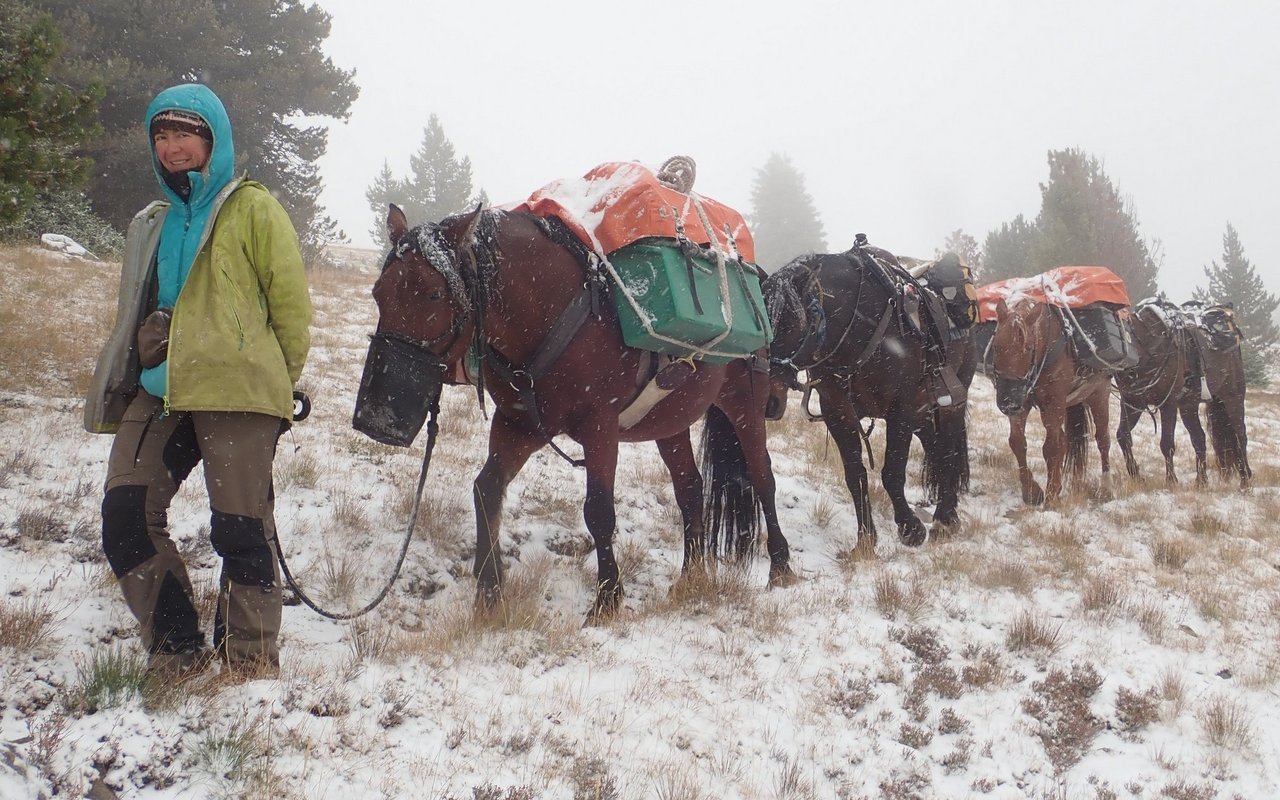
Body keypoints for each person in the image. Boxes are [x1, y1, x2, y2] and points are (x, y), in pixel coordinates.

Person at [84, 83, 312, 680]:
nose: (171, 145)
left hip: (239, 392)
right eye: (160, 134)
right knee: (125, 515)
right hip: (162, 389)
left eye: (185, 133)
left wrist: (273, 387)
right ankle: (177, 646)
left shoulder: (254, 208)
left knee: (239, 530)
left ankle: (250, 663)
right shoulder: (153, 221)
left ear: (213, 139)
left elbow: (290, 307)